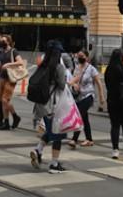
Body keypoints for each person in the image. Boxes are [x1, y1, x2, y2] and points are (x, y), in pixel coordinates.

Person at [29, 40, 70, 174]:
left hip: (41, 104)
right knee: (58, 133)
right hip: (54, 104)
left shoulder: (42, 65)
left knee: (52, 131)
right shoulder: (58, 67)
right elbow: (63, 85)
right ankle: (54, 164)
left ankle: (38, 150)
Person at [68, 49, 105, 146]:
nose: (80, 57)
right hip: (78, 97)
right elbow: (73, 80)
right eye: (78, 56)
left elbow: (99, 83)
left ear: (87, 57)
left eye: (82, 56)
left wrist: (101, 96)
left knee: (79, 116)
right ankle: (89, 139)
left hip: (89, 96)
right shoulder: (76, 68)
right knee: (84, 118)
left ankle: (74, 139)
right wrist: (74, 85)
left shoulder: (91, 69)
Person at [0, 34, 25, 130]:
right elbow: (1, 64)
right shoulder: (2, 51)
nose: (2, 42)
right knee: (1, 100)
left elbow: (20, 62)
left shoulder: (14, 51)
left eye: (4, 41)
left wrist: (9, 64)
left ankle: (15, 116)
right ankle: (6, 122)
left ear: (9, 41)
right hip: (2, 77)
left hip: (11, 78)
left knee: (5, 100)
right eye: (1, 41)